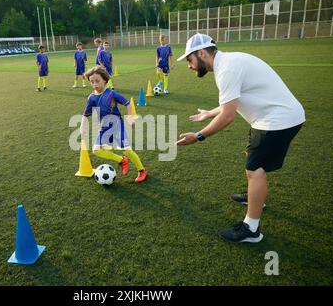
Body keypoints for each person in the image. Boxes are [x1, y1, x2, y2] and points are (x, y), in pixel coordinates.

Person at [175, 33, 305, 243]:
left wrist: (198, 136)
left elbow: (228, 116)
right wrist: (209, 113)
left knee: (255, 169)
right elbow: (233, 100)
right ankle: (255, 198)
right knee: (252, 160)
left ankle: (251, 229)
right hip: (272, 118)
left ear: (201, 53)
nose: (189, 65)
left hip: (278, 120)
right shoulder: (228, 62)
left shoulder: (226, 69)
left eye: (189, 60)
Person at [80, 66, 148, 183]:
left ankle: (142, 170)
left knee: (127, 150)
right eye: (92, 82)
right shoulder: (91, 98)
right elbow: (86, 114)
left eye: (97, 81)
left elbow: (127, 103)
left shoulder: (111, 93)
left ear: (105, 80)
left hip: (117, 125)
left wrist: (130, 118)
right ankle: (122, 160)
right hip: (104, 127)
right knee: (96, 150)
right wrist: (82, 125)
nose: (95, 84)